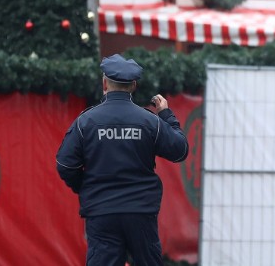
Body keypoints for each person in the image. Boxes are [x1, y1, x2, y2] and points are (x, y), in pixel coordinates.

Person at [56, 54, 189, 266]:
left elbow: (65, 165)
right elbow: (180, 150)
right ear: (134, 85)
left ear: (104, 83)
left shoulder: (86, 121)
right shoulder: (150, 121)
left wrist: (84, 186)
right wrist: (166, 115)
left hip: (102, 211)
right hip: (141, 212)